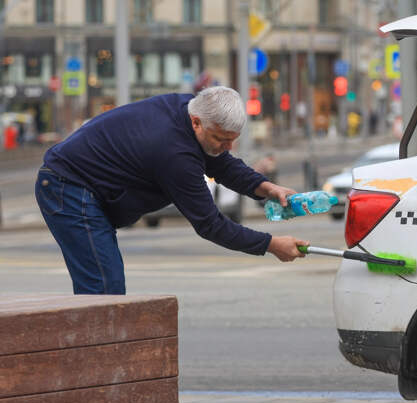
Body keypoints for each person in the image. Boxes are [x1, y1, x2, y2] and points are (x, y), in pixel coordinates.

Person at [35, 86, 309, 295]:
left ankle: (102, 362)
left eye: (232, 141)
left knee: (106, 288)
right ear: (196, 122)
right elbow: (211, 225)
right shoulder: (174, 153)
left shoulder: (190, 108)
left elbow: (220, 162)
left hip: (84, 185)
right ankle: (96, 365)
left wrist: (265, 187)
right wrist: (271, 245)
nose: (227, 148)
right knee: (104, 288)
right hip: (67, 187)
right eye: (220, 139)